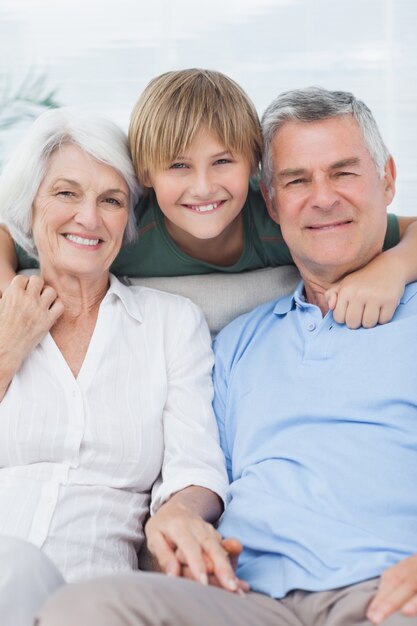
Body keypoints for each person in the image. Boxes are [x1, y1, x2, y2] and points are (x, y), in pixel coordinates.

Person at [37, 87, 417, 626]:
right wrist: (178, 514)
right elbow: (201, 472)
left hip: (385, 590)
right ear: (270, 198)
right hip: (245, 598)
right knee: (86, 607)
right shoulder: (237, 343)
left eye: (344, 173)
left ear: (388, 180)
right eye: (296, 180)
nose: (323, 198)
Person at [0, 107, 234, 626]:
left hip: (96, 599)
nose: (89, 217)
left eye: (111, 200)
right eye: (66, 193)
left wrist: (178, 514)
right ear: (29, 205)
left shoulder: (169, 323)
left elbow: (196, 464)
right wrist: (7, 351)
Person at [1, 69, 417, 329]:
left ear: (255, 167)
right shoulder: (120, 229)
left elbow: (404, 228)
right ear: (146, 174)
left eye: (222, 162)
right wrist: (11, 296)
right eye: (178, 166)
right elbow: (8, 236)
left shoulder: (282, 213)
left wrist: (391, 269)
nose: (203, 187)